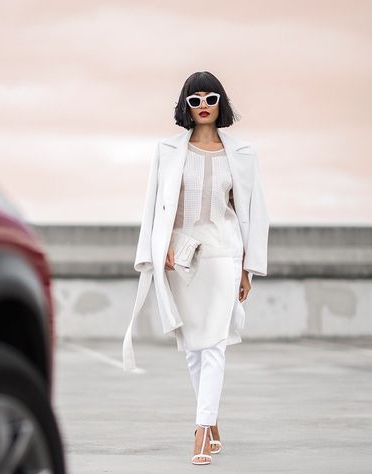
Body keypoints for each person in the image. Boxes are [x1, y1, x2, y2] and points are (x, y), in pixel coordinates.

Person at [123, 70, 269, 466]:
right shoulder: (168, 150)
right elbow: (153, 206)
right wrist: (158, 247)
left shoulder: (243, 153)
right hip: (181, 254)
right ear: (185, 107)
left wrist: (247, 267)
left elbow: (254, 213)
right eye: (195, 99)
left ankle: (202, 430)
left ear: (221, 103)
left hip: (224, 251)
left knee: (215, 343)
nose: (203, 105)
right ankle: (212, 418)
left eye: (210, 98)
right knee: (192, 346)